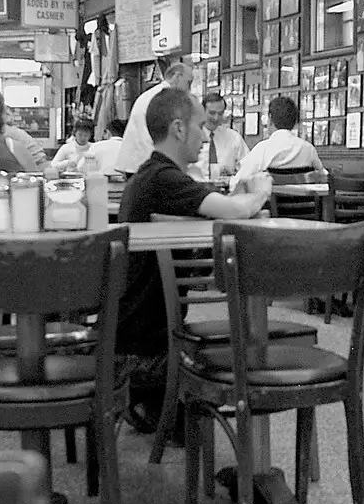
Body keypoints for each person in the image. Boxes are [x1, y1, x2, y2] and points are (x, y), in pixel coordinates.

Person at [114, 88, 271, 434]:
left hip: (132, 334)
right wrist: (261, 191)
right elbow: (234, 211)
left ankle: (155, 403)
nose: (205, 134)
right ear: (178, 129)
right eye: (200, 125)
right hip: (146, 348)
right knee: (253, 349)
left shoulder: (151, 175)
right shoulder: (164, 179)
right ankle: (152, 395)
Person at [230, 96, 325, 191]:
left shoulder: (263, 149)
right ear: (295, 121)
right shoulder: (308, 148)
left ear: (270, 119)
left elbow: (239, 181)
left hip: (270, 204)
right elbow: (323, 176)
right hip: (308, 204)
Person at [115, 62, 193, 176]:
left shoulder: (154, 94)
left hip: (140, 163)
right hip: (144, 163)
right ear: (177, 76)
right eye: (188, 83)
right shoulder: (163, 98)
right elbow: (152, 137)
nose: (189, 89)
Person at [197, 92, 248, 176]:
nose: (216, 118)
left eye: (220, 114)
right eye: (212, 113)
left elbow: (247, 167)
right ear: (203, 111)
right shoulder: (192, 136)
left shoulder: (233, 137)